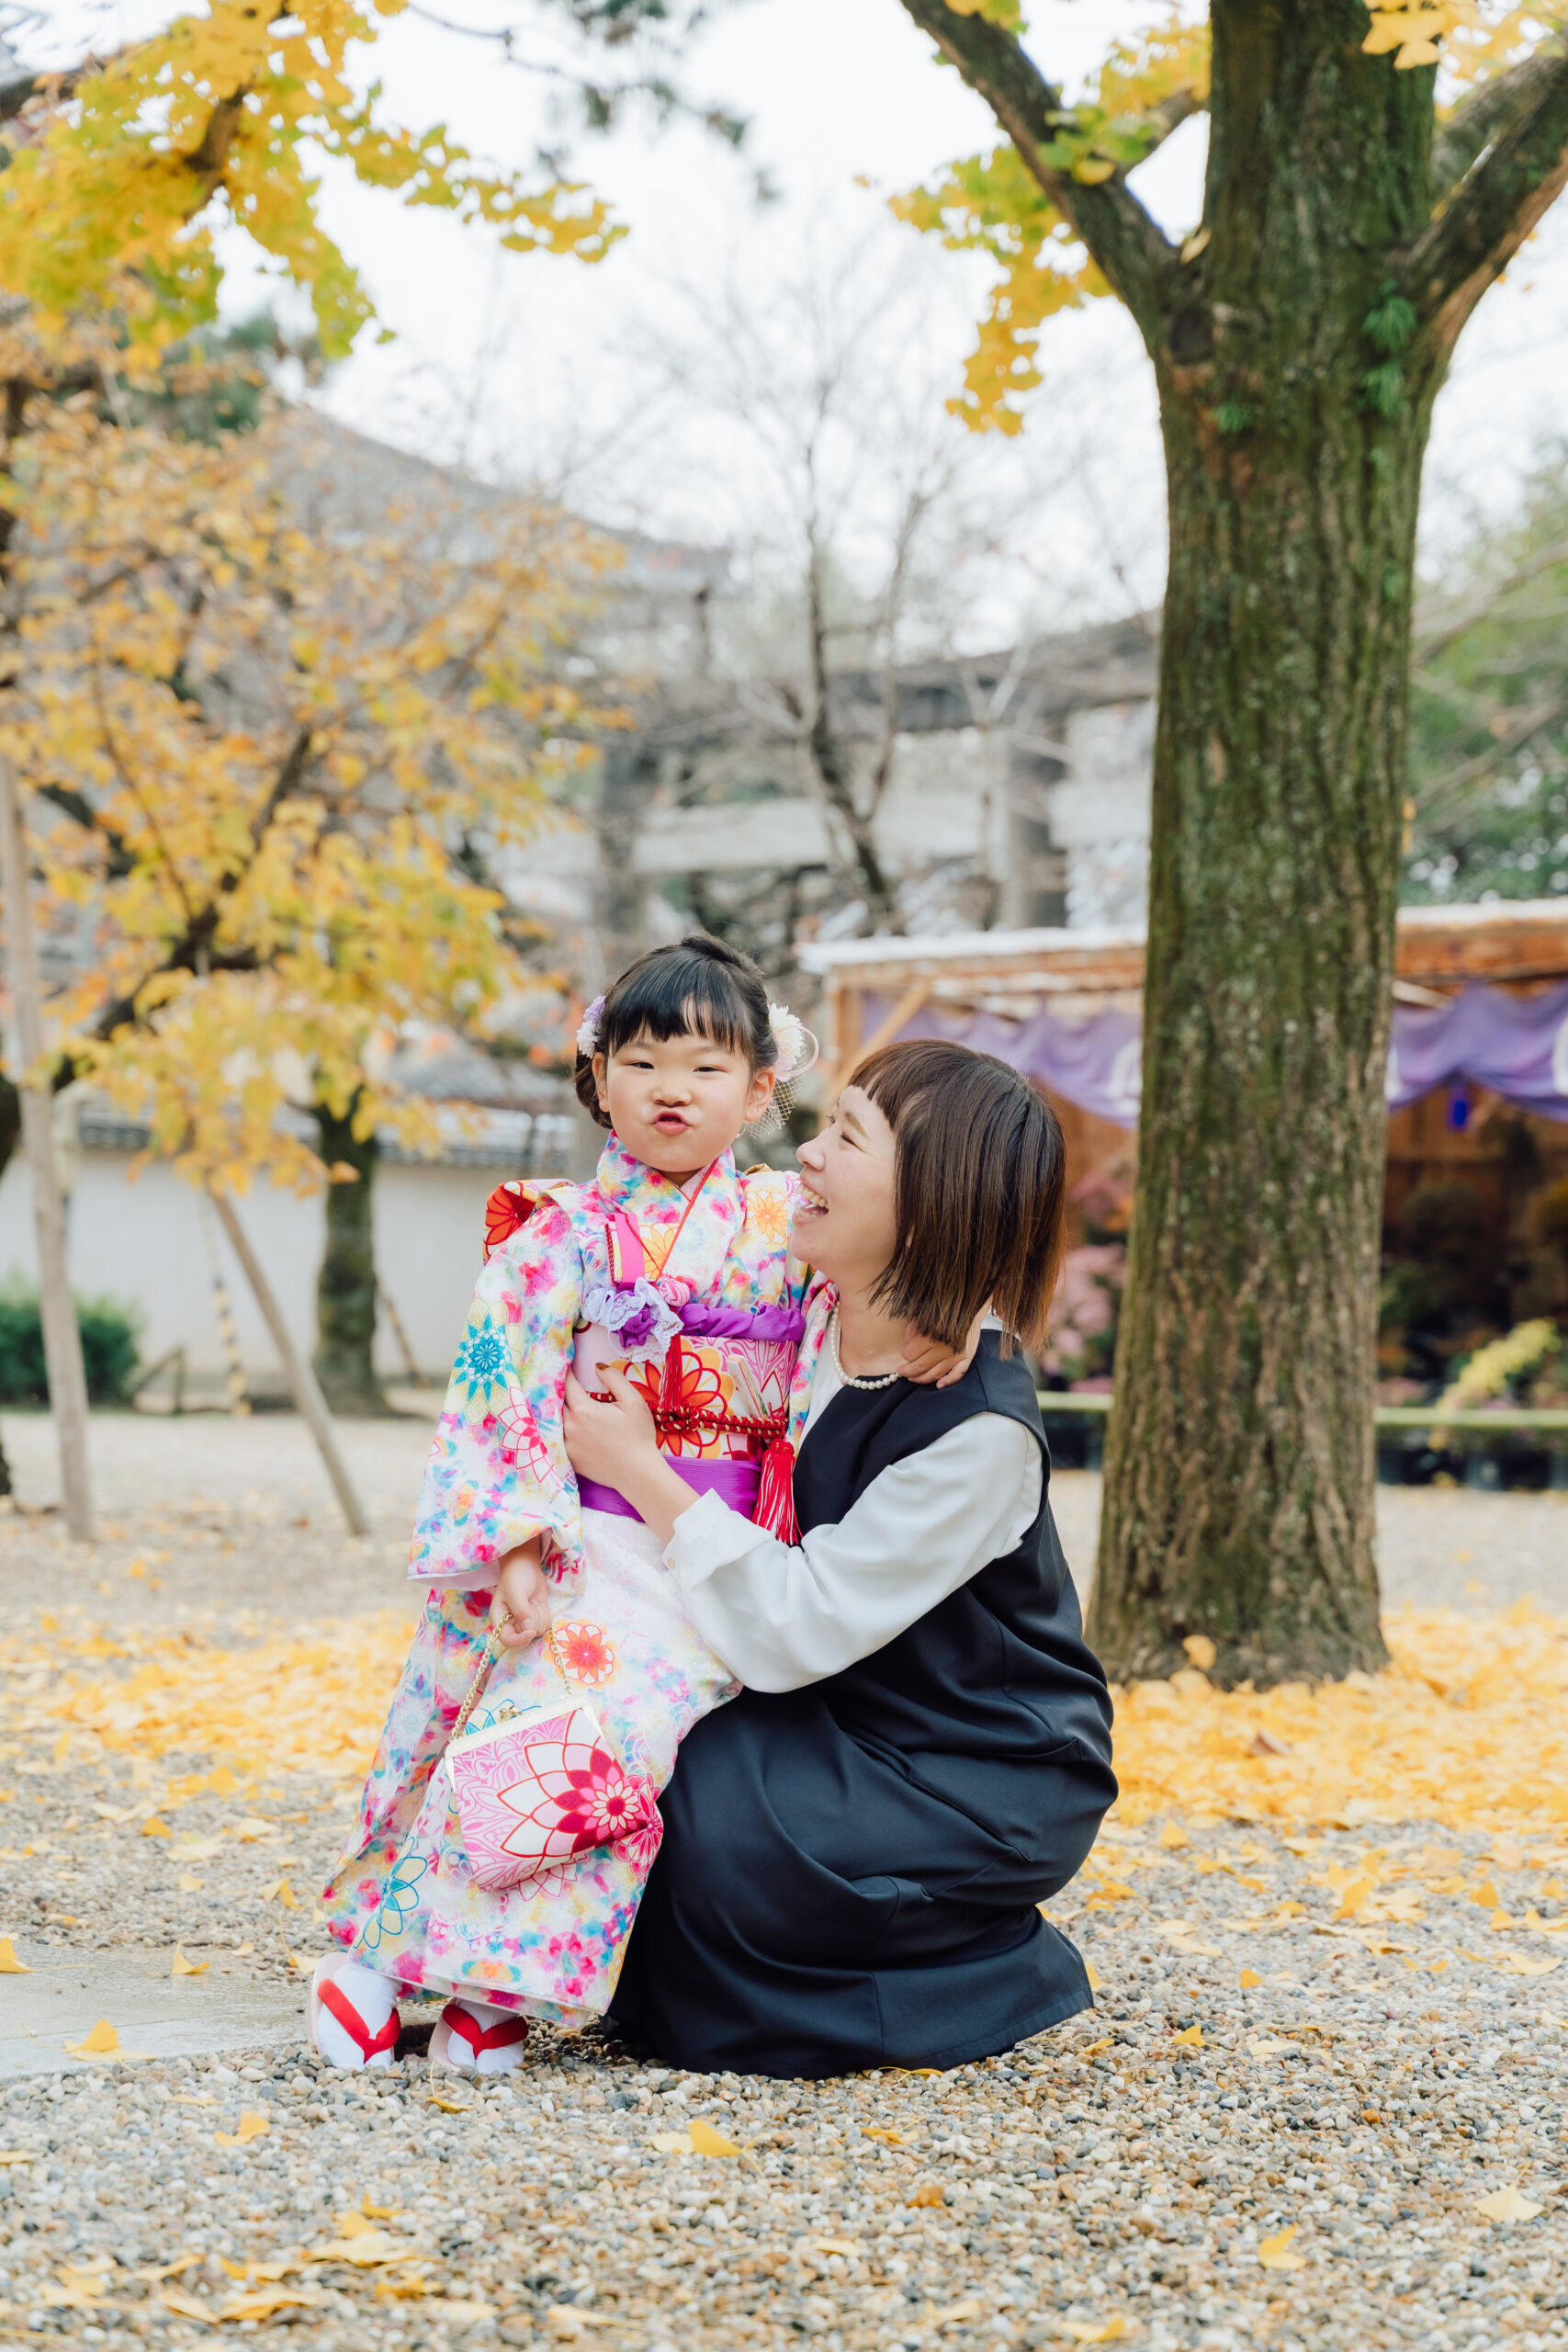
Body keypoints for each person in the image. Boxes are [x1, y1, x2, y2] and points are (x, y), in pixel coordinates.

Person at [315, 937, 971, 2075]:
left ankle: (483, 1978)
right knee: (538, 1726)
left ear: (762, 1090)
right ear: (599, 1074)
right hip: (580, 1530)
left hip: (720, 1544)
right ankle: (386, 1962)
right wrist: (514, 1541)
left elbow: (879, 1270)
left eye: (709, 1067)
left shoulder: (783, 1222)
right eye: (645, 1060)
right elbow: (499, 1385)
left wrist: (949, 1317)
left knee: (615, 1757)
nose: (674, 1088)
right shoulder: (556, 1234)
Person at [562, 1037, 1117, 2077]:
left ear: (933, 1203)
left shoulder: (977, 1425)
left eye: (848, 1137)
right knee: (634, 1761)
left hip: (974, 1764)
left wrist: (640, 1473)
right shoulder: (810, 1307)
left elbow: (801, 1623)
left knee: (711, 1831)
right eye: (826, 1124)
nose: (807, 1157)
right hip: (837, 1706)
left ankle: (988, 1966)